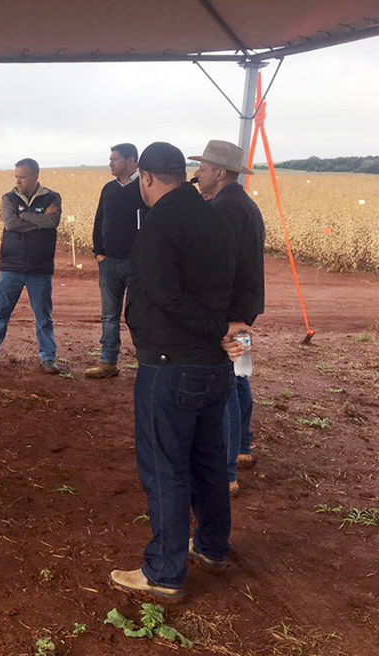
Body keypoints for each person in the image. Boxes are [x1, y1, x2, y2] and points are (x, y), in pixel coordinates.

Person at [110, 142, 250, 602]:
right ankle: (211, 546)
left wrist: (216, 328)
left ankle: (164, 572)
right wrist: (231, 330)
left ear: (147, 178)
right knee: (209, 462)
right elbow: (243, 282)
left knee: (165, 467)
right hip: (214, 368)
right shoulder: (217, 216)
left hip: (170, 367)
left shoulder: (161, 222)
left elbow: (166, 295)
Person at [191, 140, 266, 495]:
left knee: (227, 387)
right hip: (244, 306)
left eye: (203, 168)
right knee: (239, 376)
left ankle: (227, 472)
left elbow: (218, 267)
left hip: (229, 311)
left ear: (220, 173)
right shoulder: (245, 205)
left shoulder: (221, 209)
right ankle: (243, 447)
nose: (198, 173)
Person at [0, 158, 62, 373]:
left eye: (22, 177)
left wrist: (24, 216)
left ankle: (48, 358)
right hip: (11, 265)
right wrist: (39, 220)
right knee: (0, 313)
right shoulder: (9, 198)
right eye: (16, 177)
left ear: (35, 176)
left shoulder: (52, 197)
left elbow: (53, 223)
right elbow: (11, 223)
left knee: (43, 315)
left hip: (40, 267)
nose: (18, 181)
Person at [85, 143, 147, 379]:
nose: (111, 163)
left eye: (115, 159)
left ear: (132, 161)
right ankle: (107, 361)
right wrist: (99, 252)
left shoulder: (144, 188)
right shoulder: (108, 189)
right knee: (109, 315)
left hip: (136, 264)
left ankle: (146, 364)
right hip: (109, 262)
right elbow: (99, 220)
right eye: (110, 159)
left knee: (139, 314)